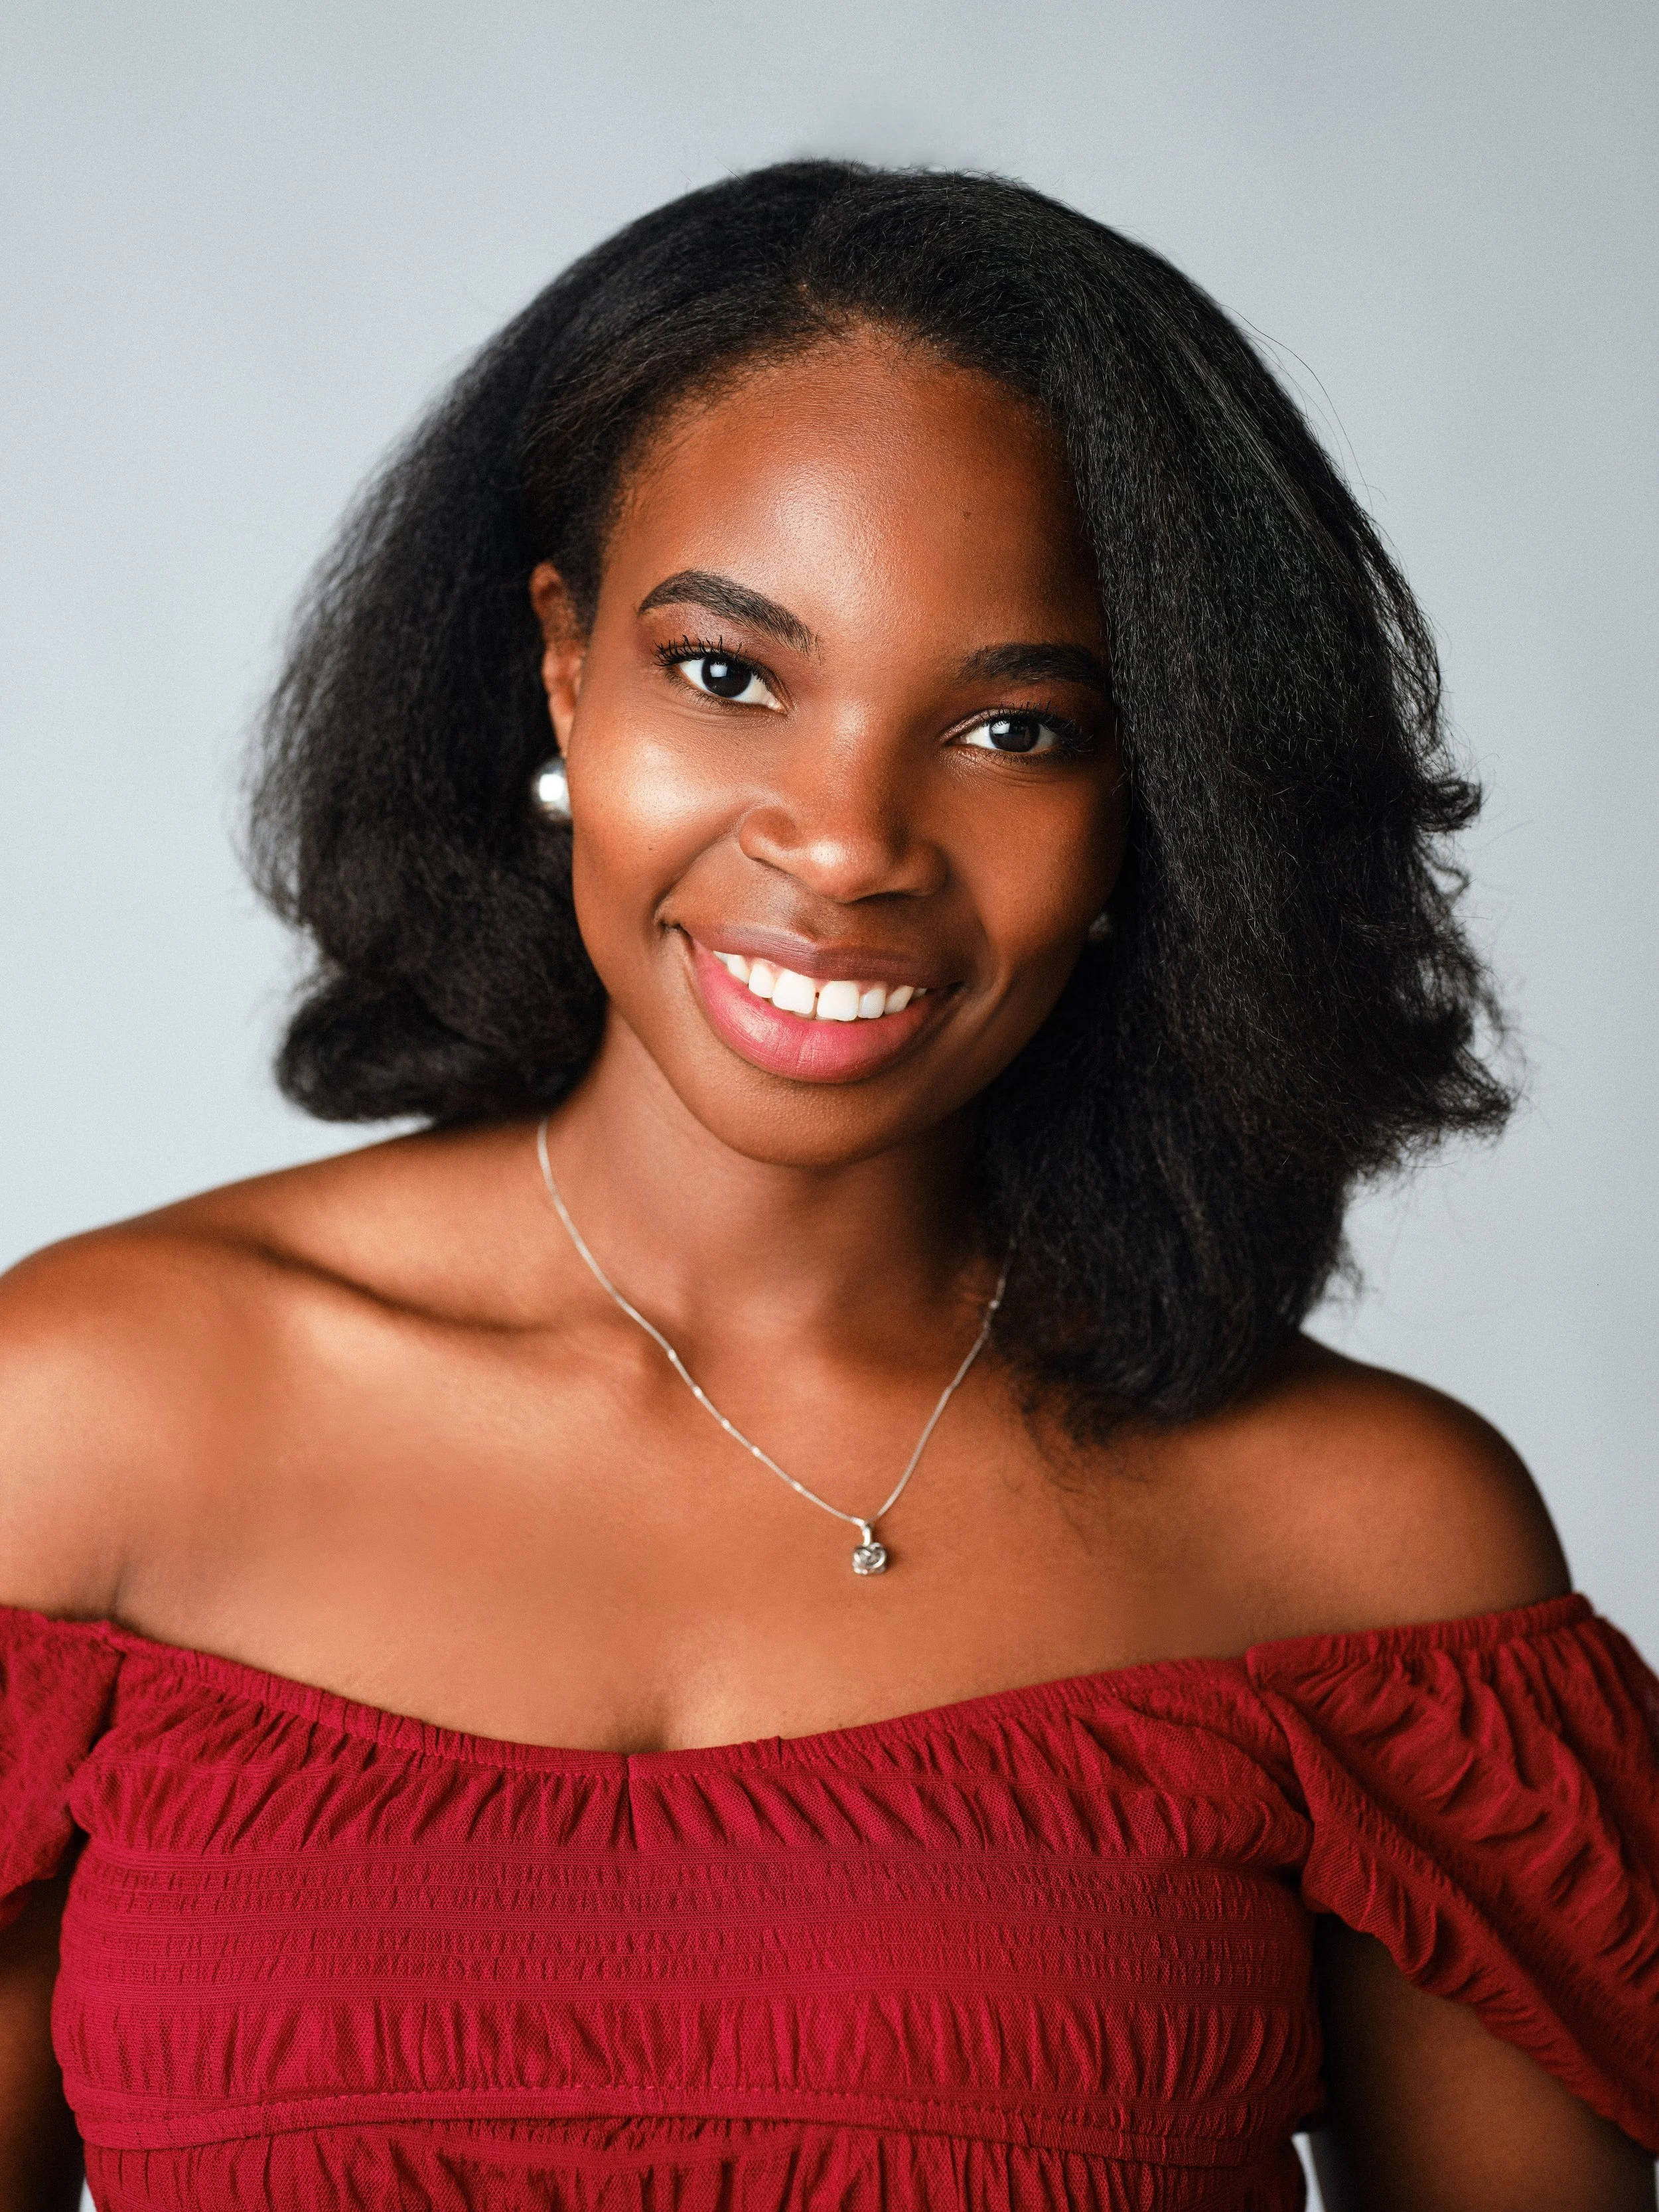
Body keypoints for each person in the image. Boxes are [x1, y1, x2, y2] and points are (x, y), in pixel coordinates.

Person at [0, 161, 1652, 2212]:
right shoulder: (75, 1419)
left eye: (1012, 724)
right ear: (561, 670)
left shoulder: (1366, 1545)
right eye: (726, 674)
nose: (849, 838)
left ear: (1163, 797)